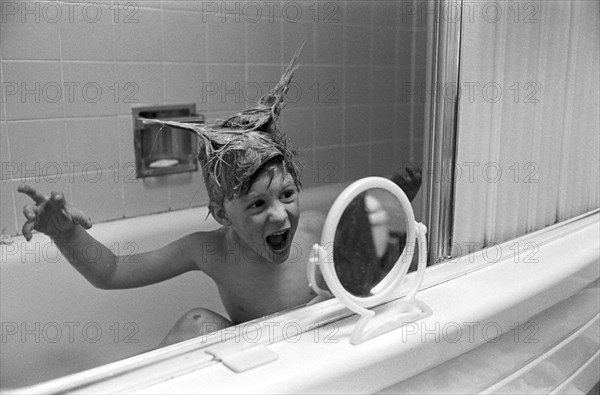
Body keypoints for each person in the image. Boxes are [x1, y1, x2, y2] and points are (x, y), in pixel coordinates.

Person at [18, 46, 422, 348]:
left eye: (286, 194)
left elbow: (368, 267)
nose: (280, 216)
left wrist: (390, 201)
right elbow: (112, 272)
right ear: (221, 212)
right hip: (253, 363)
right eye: (258, 204)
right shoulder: (207, 250)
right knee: (197, 322)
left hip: (315, 352)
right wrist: (67, 236)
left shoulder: (316, 228)